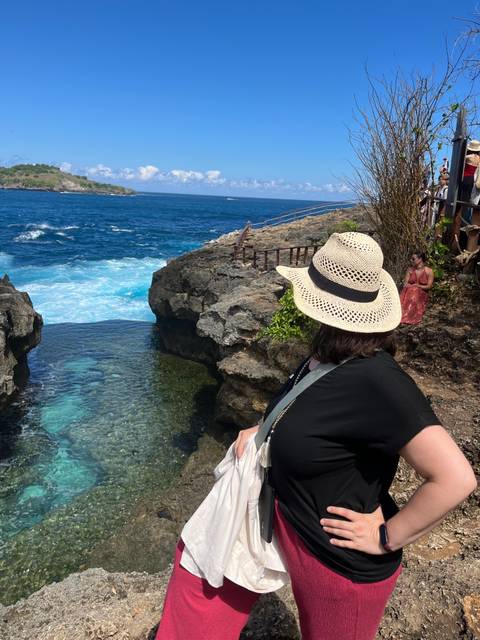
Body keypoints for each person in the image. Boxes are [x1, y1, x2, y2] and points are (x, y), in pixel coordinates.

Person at [155, 232, 476, 640]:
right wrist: (265, 429)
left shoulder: (380, 381)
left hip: (338, 567)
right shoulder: (326, 355)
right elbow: (314, 414)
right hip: (294, 531)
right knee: (196, 576)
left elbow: (456, 479)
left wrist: (385, 536)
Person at [400, 251, 434, 325]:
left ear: (420, 259)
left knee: (415, 291)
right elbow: (405, 284)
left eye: (413, 259)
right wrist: (413, 287)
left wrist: (418, 286)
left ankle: (410, 316)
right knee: (412, 290)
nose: (411, 260)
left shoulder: (429, 271)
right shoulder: (410, 270)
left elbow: (429, 286)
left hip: (421, 294)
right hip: (408, 293)